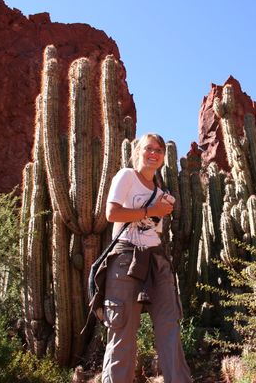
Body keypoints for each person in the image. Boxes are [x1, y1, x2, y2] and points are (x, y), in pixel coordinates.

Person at [94, 133, 192, 383]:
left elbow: (154, 230)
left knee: (169, 325)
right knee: (123, 330)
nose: (154, 153)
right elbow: (112, 213)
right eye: (149, 148)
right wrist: (152, 210)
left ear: (163, 157)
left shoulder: (160, 192)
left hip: (156, 259)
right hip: (126, 257)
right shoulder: (126, 176)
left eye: (159, 150)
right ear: (137, 151)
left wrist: (161, 210)